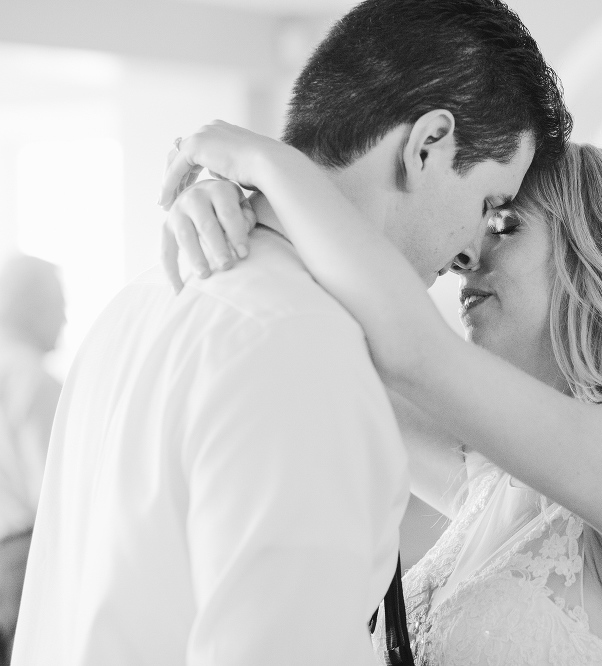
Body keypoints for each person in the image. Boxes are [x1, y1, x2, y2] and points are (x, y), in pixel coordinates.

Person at [12, 2, 570, 665]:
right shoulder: (302, 347)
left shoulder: (138, 304)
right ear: (429, 144)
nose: (468, 254)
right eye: (486, 205)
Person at [157, 117, 602, 664]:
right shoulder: (492, 479)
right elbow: (335, 335)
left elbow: (411, 351)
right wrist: (235, 217)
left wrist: (269, 166)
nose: (467, 256)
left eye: (505, 226)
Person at [0, 255, 64, 666]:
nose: (65, 318)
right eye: (61, 304)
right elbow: (56, 491)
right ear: (33, 303)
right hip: (25, 555)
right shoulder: (35, 381)